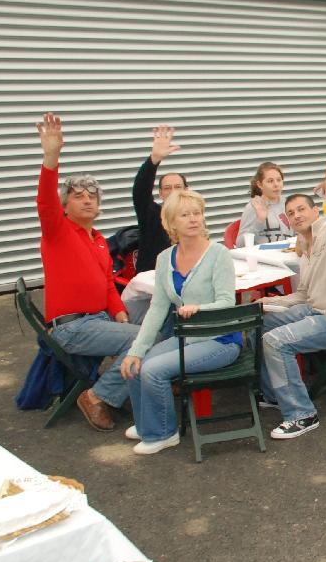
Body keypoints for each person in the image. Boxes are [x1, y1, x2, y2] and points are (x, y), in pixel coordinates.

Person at [34, 113, 140, 432]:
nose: (87, 201)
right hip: (73, 327)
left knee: (154, 318)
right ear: (65, 206)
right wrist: (51, 157)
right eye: (78, 196)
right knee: (143, 339)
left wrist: (120, 314)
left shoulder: (98, 240)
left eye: (92, 197)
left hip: (99, 318)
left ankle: (146, 382)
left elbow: (107, 284)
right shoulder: (58, 231)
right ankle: (97, 396)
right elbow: (45, 201)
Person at [118, 191, 240, 454]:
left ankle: (163, 433)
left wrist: (199, 308)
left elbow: (227, 302)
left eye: (197, 213)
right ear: (171, 222)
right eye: (185, 215)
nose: (193, 219)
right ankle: (146, 423)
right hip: (188, 337)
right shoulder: (165, 258)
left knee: (153, 370)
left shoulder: (218, 254)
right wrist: (136, 350)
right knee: (135, 363)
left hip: (220, 340)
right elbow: (157, 309)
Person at [257, 186, 326, 440]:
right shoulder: (305, 245)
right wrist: (274, 301)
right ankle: (274, 394)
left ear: (315, 211)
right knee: (260, 323)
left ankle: (302, 414)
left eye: (301, 209)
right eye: (290, 213)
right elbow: (304, 294)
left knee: (275, 342)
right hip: (318, 309)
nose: (296, 215)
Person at [131, 124, 187, 274]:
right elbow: (140, 191)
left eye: (178, 187)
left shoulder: (193, 216)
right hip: (153, 278)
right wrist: (154, 160)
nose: (173, 192)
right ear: (161, 193)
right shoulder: (152, 214)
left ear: (186, 191)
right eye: (167, 188)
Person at [238, 162, 292, 244]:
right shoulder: (254, 207)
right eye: (270, 181)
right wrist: (259, 221)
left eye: (279, 180)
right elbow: (240, 244)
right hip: (264, 252)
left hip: (289, 250)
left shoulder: (288, 203)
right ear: (260, 185)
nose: (276, 184)